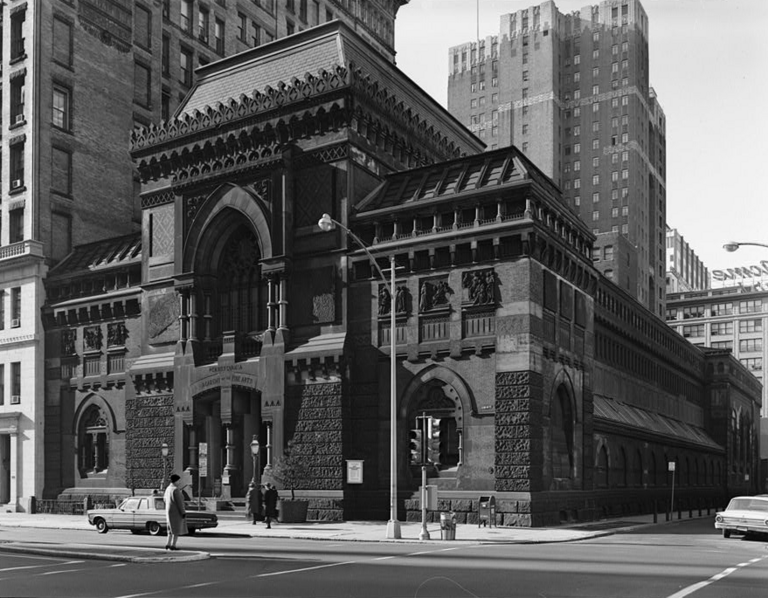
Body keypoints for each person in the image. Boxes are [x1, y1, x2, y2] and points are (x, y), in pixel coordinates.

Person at [164, 473, 187, 550]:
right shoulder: (175, 490)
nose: (179, 482)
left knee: (169, 529)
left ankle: (168, 544)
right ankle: (173, 545)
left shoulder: (168, 488)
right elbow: (179, 503)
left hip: (168, 511)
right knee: (176, 530)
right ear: (175, 481)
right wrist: (183, 512)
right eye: (178, 481)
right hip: (176, 512)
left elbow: (164, 499)